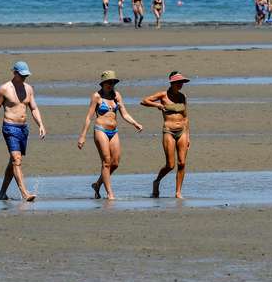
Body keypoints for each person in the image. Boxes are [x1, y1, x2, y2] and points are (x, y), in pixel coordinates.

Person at [0, 61, 47, 201]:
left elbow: (34, 108)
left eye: (26, 75)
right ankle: (25, 193)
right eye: (22, 75)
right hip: (10, 127)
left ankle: (2, 193)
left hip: (23, 129)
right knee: (17, 160)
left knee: (14, 161)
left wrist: (40, 124)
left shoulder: (29, 89)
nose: (24, 78)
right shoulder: (4, 89)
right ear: (15, 73)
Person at [78, 70, 143, 200]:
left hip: (114, 131)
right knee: (106, 162)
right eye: (108, 82)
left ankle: (97, 184)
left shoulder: (116, 95)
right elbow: (88, 117)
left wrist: (135, 123)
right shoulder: (96, 96)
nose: (111, 85)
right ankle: (110, 194)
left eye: (113, 82)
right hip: (100, 129)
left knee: (115, 163)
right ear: (102, 83)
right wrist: (83, 136)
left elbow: (124, 113)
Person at [141, 72, 190, 199]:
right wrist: (157, 104)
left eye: (182, 82)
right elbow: (144, 101)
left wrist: (188, 135)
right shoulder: (163, 95)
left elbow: (185, 117)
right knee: (170, 165)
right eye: (178, 82)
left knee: (182, 163)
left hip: (182, 131)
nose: (181, 85)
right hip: (169, 130)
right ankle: (156, 181)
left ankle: (178, 192)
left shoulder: (183, 96)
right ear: (172, 83)